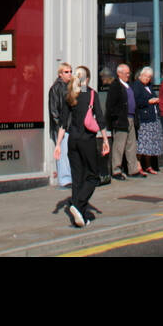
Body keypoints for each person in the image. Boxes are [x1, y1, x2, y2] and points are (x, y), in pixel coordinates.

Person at [54, 66, 110, 228]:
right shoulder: (91, 93)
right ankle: (78, 206)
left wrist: (58, 145)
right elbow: (99, 118)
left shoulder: (71, 94)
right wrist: (105, 140)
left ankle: (80, 216)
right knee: (93, 176)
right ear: (87, 79)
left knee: (77, 178)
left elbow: (63, 122)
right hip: (87, 140)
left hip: (72, 141)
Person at [105, 64, 139, 179]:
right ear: (119, 73)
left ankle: (133, 169)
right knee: (119, 146)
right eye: (126, 73)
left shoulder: (128, 86)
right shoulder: (115, 86)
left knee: (131, 145)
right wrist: (116, 117)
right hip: (121, 120)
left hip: (130, 118)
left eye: (129, 73)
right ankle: (116, 170)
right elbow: (110, 105)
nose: (128, 75)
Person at [48, 63, 73, 189]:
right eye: (66, 72)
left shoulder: (70, 87)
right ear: (60, 74)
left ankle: (69, 177)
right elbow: (54, 110)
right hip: (63, 126)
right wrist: (60, 126)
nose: (69, 74)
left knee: (68, 152)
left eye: (70, 71)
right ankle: (64, 179)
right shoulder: (56, 88)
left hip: (69, 125)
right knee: (62, 152)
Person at [133, 66, 162, 175]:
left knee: (150, 144)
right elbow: (136, 101)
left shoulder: (149, 86)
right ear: (141, 75)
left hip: (153, 118)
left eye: (150, 77)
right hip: (144, 119)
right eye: (146, 76)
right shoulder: (136, 85)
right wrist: (148, 101)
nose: (148, 79)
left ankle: (148, 165)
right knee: (142, 144)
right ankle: (139, 165)